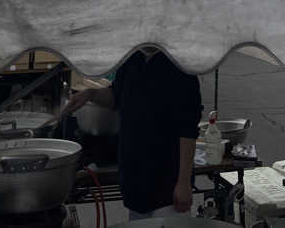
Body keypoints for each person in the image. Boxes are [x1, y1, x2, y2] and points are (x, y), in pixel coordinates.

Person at [62, 47, 202, 218]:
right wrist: (89, 94)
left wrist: (184, 182)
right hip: (134, 178)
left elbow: (188, 130)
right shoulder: (132, 60)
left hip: (168, 182)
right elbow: (116, 95)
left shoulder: (181, 68)